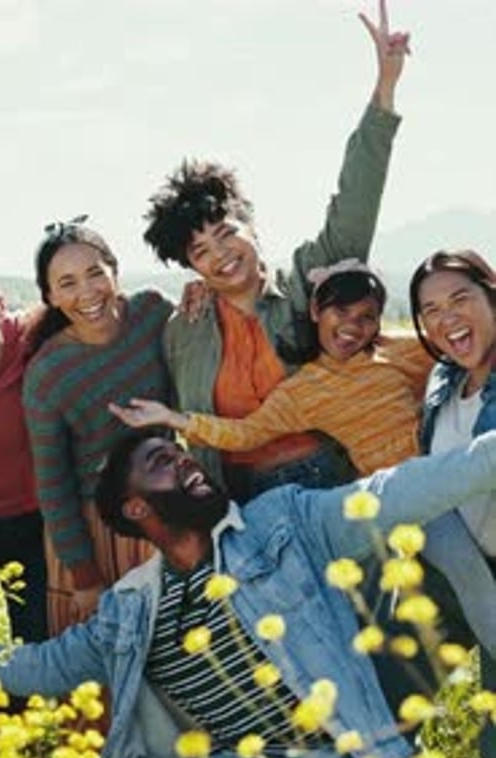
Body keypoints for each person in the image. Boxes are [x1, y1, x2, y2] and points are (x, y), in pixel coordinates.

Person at [0, 430, 496, 758]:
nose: (182, 459)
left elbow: (399, 489)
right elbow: (41, 667)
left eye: (178, 451)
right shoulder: (131, 610)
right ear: (135, 508)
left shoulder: (283, 521)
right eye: (160, 461)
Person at [143, 0, 410, 502]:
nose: (220, 255)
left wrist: (385, 90)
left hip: (327, 478)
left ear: (251, 224)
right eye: (200, 251)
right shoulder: (186, 329)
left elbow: (354, 200)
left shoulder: (308, 281)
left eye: (226, 232)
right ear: (191, 266)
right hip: (235, 492)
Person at [110, 260, 432, 480]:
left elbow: (460, 353)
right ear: (316, 311)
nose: (353, 325)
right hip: (390, 495)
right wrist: (172, 418)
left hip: (440, 467)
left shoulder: (400, 350)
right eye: (342, 310)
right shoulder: (305, 390)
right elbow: (246, 434)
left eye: (367, 316)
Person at [23, 219, 174, 635]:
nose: (87, 292)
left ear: (114, 271)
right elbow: (53, 485)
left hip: (167, 508)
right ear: (51, 297)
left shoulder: (153, 314)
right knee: (109, 669)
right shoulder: (47, 374)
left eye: (95, 273)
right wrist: (85, 577)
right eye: (67, 283)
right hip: (93, 533)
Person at [409, 248, 496, 758]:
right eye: (431, 310)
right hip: (465, 571)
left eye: (460, 299)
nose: (447, 319)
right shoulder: (441, 382)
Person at [0, 290, 47, 643]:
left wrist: (199, 293)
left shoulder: (33, 336)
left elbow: (103, 311)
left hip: (32, 520)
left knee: (34, 633)